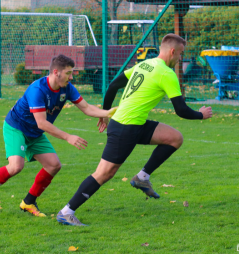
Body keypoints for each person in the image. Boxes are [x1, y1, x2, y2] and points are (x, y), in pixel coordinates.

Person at [56, 33, 212, 226]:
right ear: (172, 51)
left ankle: (142, 177)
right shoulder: (166, 73)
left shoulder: (145, 64)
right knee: (104, 173)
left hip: (134, 123)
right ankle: (67, 211)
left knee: (174, 138)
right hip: (125, 127)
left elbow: (113, 85)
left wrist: (105, 112)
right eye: (180, 54)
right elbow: (181, 110)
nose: (180, 58)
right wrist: (201, 114)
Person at [0, 54, 116, 219]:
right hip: (16, 128)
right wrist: (67, 137)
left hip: (34, 132)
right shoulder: (38, 90)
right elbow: (42, 123)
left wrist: (106, 113)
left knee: (53, 165)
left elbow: (86, 108)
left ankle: (29, 202)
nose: (71, 77)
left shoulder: (67, 88)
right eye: (68, 73)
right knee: (16, 166)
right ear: (56, 72)